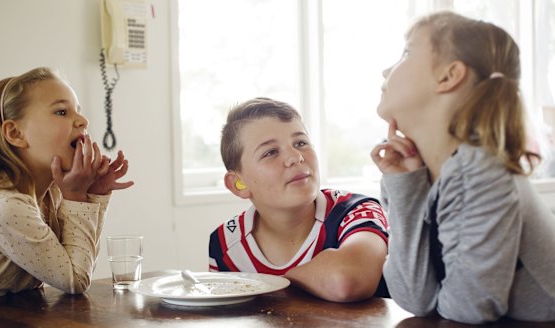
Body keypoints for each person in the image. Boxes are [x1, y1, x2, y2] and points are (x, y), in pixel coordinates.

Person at [371, 11, 555, 324]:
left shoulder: (481, 170)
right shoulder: (438, 174)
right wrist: (406, 189)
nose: (386, 69)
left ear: (448, 76)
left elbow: (468, 308)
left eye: (406, 53)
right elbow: (416, 298)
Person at [0, 67, 134, 299]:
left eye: (77, 111)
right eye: (61, 112)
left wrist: (93, 193)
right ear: (16, 133)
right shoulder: (4, 206)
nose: (83, 120)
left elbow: (77, 263)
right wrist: (77, 197)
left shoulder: (52, 193)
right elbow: (75, 280)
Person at [209, 97, 389, 302]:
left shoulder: (357, 211)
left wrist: (276, 283)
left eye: (301, 143)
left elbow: (346, 280)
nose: (296, 157)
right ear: (238, 183)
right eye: (271, 152)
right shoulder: (225, 244)